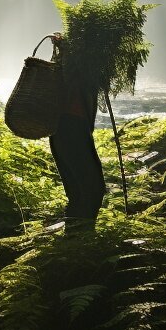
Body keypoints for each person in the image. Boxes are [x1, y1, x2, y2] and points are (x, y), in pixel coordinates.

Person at [49, 33, 105, 229]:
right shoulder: (73, 69)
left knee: (80, 190)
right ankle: (80, 239)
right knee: (92, 188)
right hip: (70, 128)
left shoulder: (67, 67)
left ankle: (76, 237)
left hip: (64, 131)